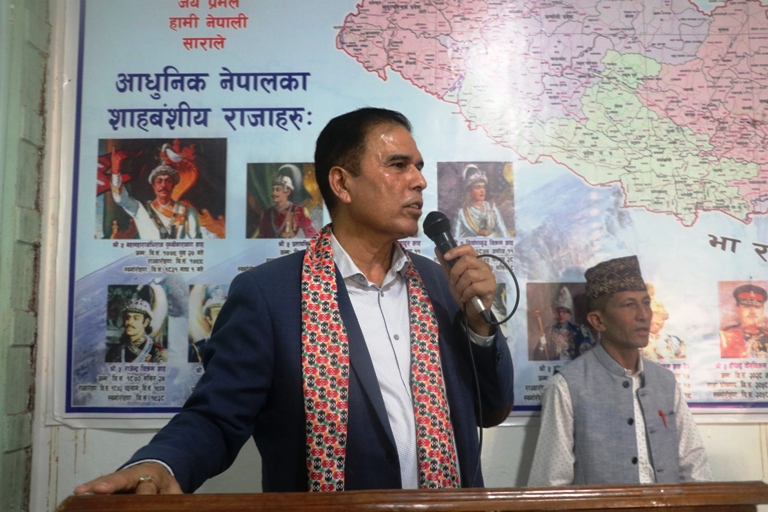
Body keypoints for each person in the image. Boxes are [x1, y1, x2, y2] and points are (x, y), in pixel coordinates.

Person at [76, 107, 514, 495]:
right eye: (398, 165)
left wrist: (480, 325)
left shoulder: (441, 283)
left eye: (417, 167)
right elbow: (216, 416)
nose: (419, 180)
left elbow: (492, 408)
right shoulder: (270, 295)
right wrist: (161, 465)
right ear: (341, 183)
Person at [528, 255, 712, 486]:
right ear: (598, 321)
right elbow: (550, 484)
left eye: (646, 303)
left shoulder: (665, 382)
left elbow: (695, 467)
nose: (643, 315)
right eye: (629, 305)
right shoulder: (567, 386)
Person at [109, 145, 215, 239]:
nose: (163, 185)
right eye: (159, 181)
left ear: (173, 185)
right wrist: (116, 173)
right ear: (153, 185)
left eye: (168, 181)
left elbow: (195, 244)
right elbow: (120, 199)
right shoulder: (140, 209)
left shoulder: (187, 211)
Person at [254, 164, 318, 238]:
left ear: (288, 192)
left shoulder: (299, 211)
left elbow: (312, 236)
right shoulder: (267, 214)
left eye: (278, 190)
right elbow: (261, 238)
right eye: (273, 190)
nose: (274, 193)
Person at [532, 286, 594, 360]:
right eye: (558, 311)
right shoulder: (549, 331)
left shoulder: (578, 330)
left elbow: (586, 354)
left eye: (564, 311)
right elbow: (537, 356)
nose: (561, 314)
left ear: (569, 313)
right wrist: (541, 346)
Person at [105, 295, 167, 364]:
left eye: (136, 318)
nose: (130, 322)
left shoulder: (159, 352)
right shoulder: (114, 351)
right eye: (127, 318)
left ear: (146, 322)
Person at [453, 164, 509, 238]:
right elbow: (455, 240)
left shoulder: (492, 209)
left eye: (483, 187)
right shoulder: (461, 213)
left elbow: (505, 235)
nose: (482, 191)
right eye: (478, 187)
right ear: (469, 191)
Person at [720, 284, 768, 358]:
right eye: (747, 307)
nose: (752, 312)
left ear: (762, 310)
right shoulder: (725, 338)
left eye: (757, 307)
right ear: (738, 309)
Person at [641, 283, 686, 361]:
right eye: (655, 317)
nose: (658, 321)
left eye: (661, 318)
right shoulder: (637, 343)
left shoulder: (674, 342)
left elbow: (683, 363)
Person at [188, 287, 226, 363]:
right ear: (209, 319)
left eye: (224, 313)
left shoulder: (235, 345)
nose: (222, 317)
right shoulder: (196, 349)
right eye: (218, 313)